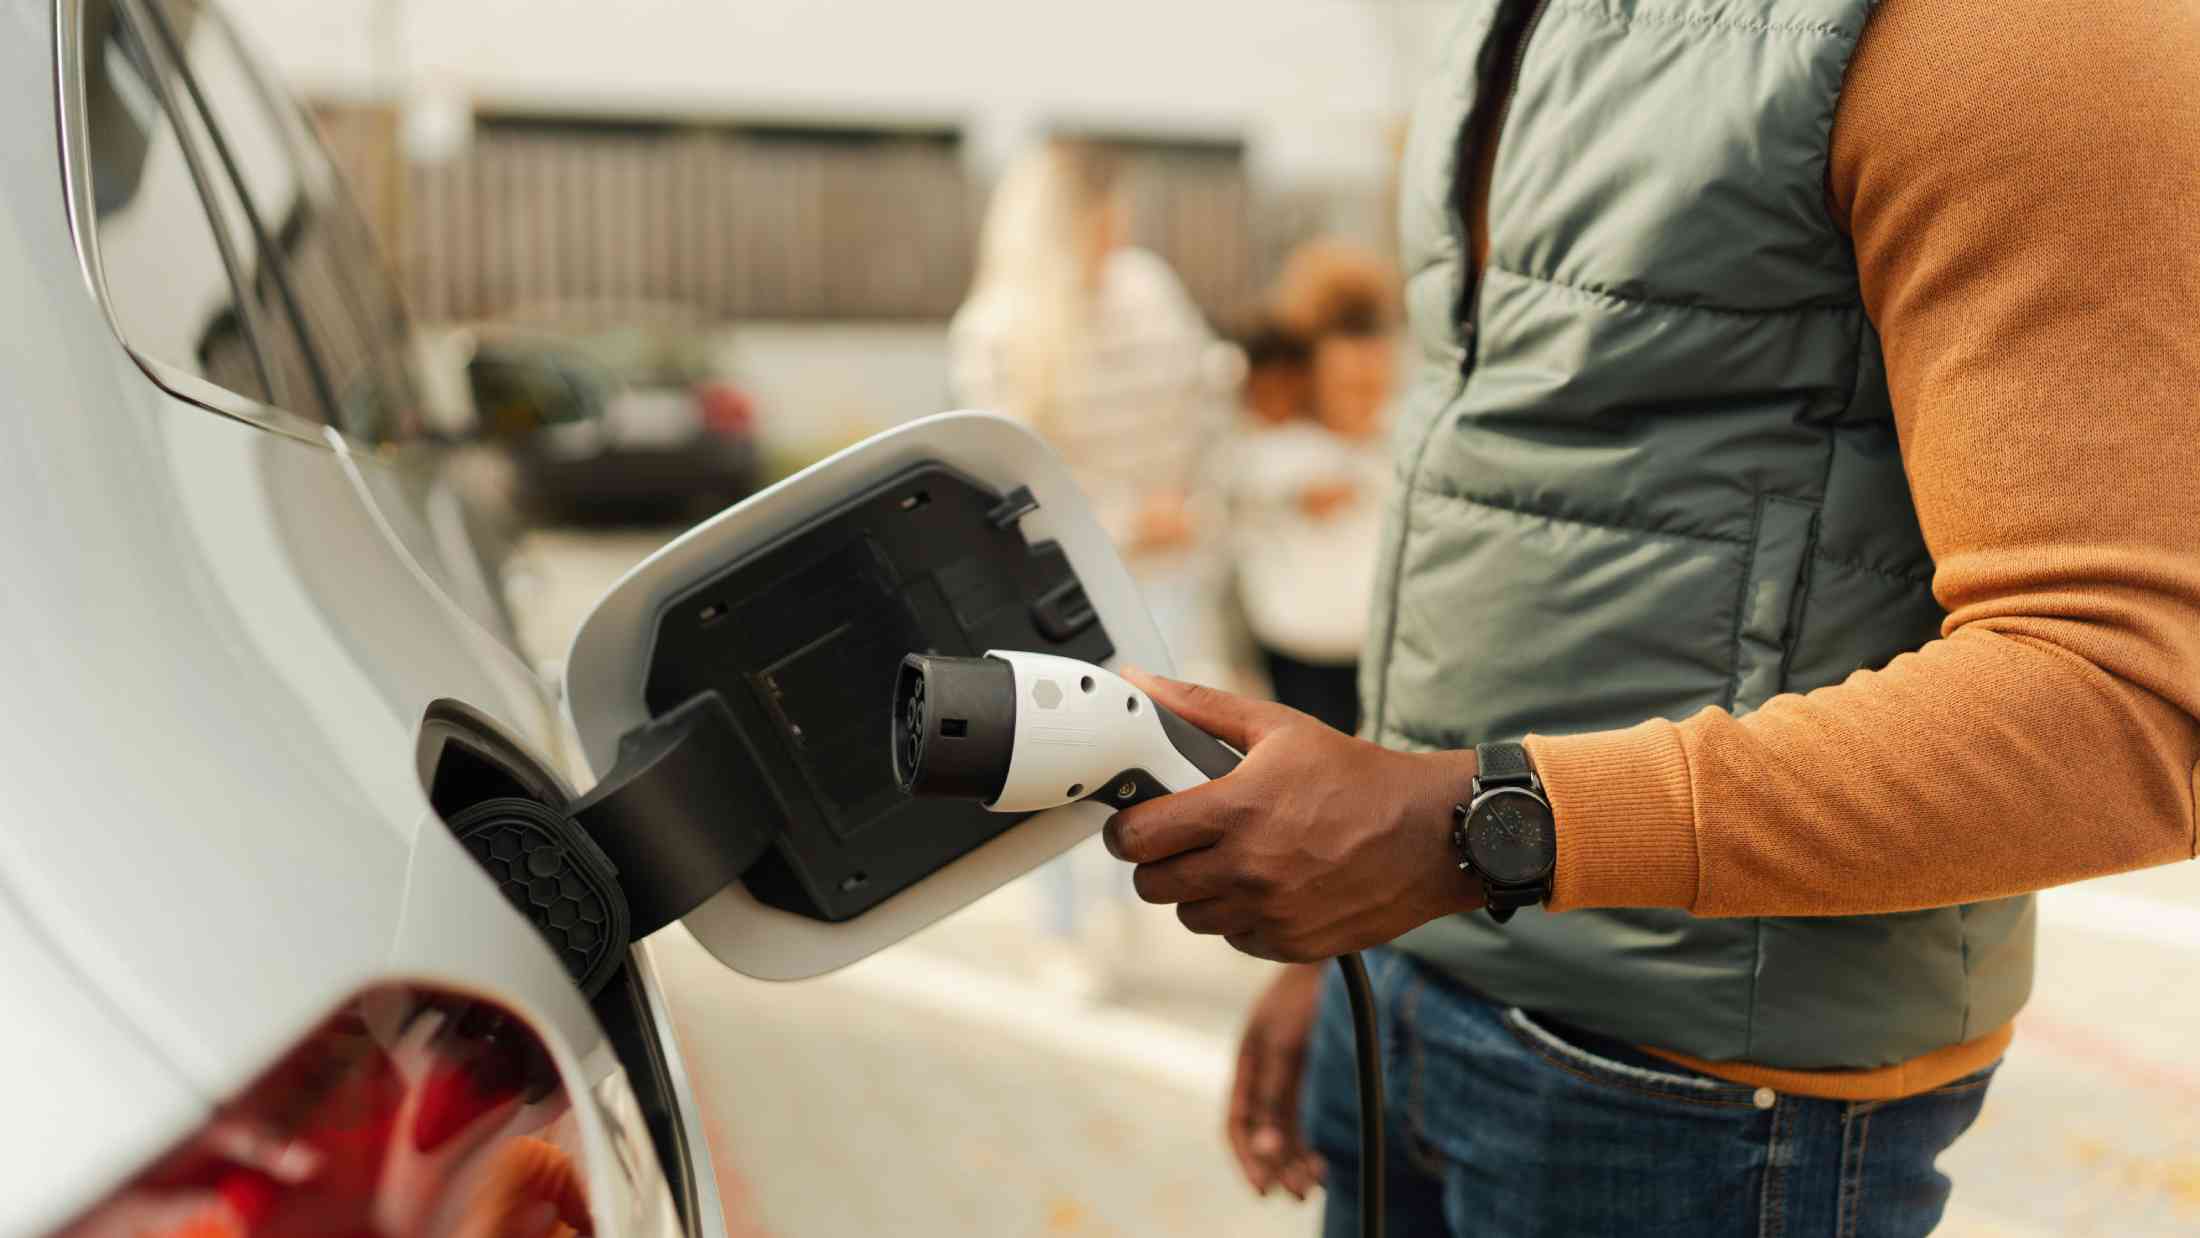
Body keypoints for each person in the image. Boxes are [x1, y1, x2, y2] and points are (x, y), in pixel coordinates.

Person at [1096, 2, 2200, 1234]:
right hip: (1408, 989)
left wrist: (1468, 826)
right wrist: (1347, 937)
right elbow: (1507, 480)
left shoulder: (2016, 35)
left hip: (1698, 1104)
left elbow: (2124, 701)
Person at [949, 139, 1230, 999]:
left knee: (1145, 737)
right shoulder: (999, 332)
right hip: (1060, 578)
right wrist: (1122, 517)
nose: (1116, 230)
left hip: (1167, 563)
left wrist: (1192, 497)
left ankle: (1116, 904)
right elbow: (1005, 480)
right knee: (1055, 751)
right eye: (1098, 215)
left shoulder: (1150, 291)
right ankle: (1063, 926)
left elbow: (1201, 403)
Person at [1224, 244, 1399, 735]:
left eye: (1376, 380)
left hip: (1376, 650)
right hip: (1301, 647)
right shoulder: (1279, 453)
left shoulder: (1392, 440)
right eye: (1350, 383)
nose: (1367, 394)